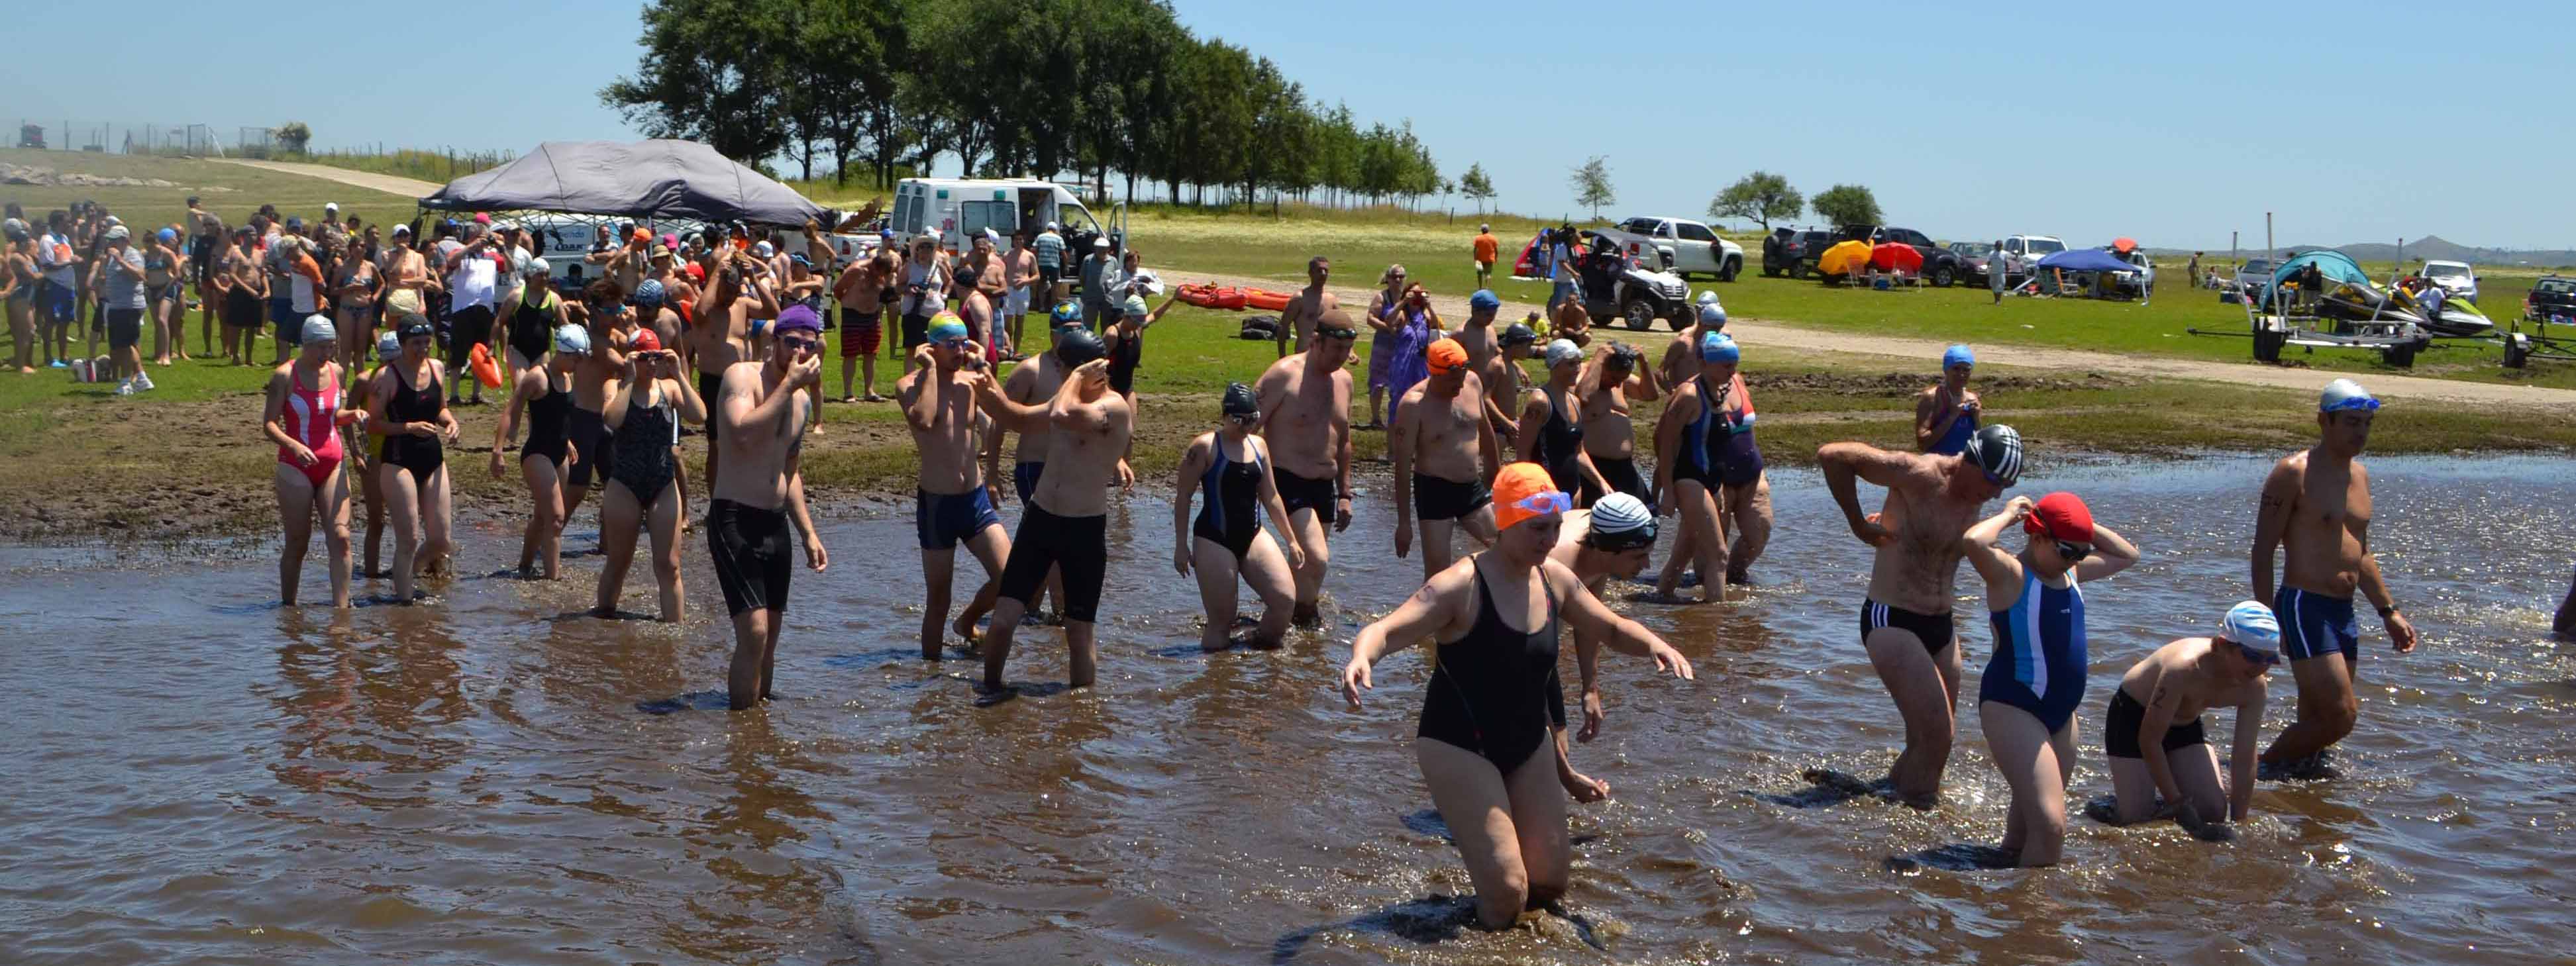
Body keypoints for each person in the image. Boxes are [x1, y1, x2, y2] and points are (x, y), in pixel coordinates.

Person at [1339, 463, 1692, 930]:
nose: (1549, 540)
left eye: (1553, 529)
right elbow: (1385, 629)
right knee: (1508, 893)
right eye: (1537, 529)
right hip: (1458, 742)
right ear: (1505, 523)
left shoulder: (1554, 580)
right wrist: (1362, 658)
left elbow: (1608, 626)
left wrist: (1654, 643)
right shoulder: (1459, 585)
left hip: (1526, 742)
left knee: (1547, 884)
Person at [1815, 423, 2024, 804]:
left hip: (1941, 625)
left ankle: (1884, 801)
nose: (1994, 494)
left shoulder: (1978, 495)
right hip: (1891, 617)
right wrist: (1858, 524)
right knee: (1938, 737)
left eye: (2004, 487)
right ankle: (1922, 825)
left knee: (1929, 738)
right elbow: (1833, 456)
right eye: (1993, 480)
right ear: (1970, 459)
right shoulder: (1918, 473)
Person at [1959, 492, 2140, 866]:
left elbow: (2128, 555)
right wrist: (2011, 514)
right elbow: (1973, 541)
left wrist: (2080, 530)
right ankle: (2039, 921)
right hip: (2014, 706)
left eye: (2081, 551)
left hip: (2062, 716)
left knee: (2026, 829)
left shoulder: (2070, 572)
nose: (2076, 559)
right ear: (2037, 537)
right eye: (2067, 551)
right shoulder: (2010, 574)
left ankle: (2010, 904)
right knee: (2052, 826)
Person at [2251, 379, 2418, 776]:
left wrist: (2388, 610)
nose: (2360, 433)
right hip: (2303, 605)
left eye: (2367, 424)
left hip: (2344, 610)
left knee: (2317, 721)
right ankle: (2254, 769)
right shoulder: (2292, 473)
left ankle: (2295, 789)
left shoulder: (2360, 476)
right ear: (2324, 422)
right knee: (2341, 716)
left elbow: (2361, 552)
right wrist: (2265, 620)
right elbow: (2262, 550)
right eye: (2351, 422)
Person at [970, 351, 1133, 694]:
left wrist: (1077, 376)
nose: (1057, 372)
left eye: (1063, 366)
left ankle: (1081, 710)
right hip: (1040, 521)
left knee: (1078, 630)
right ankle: (990, 694)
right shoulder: (1066, 396)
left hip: (1083, 529)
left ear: (1093, 371)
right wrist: (987, 383)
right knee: (1003, 620)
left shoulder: (1112, 408)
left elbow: (1064, 414)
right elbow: (1017, 417)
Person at [707, 305, 827, 710]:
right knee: (754, 632)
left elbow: (789, 473)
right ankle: (740, 723)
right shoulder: (742, 377)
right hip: (735, 518)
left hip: (774, 523)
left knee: (771, 635)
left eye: (807, 347)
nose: (798, 352)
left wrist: (808, 532)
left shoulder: (801, 404)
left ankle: (758, 732)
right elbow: (740, 431)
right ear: (774, 342)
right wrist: (790, 385)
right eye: (791, 343)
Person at [2102, 601, 2279, 836]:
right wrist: (2177, 803)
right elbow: (2150, 740)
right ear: (2224, 645)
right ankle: (2108, 807)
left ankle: (2159, 796)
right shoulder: (2183, 669)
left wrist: (2240, 822)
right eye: (2254, 656)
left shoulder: (2255, 688)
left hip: (2184, 723)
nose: (2262, 667)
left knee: (2213, 810)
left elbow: (2245, 757)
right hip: (2133, 718)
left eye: (2271, 659)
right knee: (2136, 821)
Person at [901, 314, 1013, 659]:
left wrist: (984, 366)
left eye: (963, 343)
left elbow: (1004, 414)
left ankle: (966, 623)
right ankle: (931, 677)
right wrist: (932, 371)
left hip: (974, 500)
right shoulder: (908, 385)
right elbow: (925, 419)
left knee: (1011, 576)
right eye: (951, 345)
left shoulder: (971, 382)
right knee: (939, 598)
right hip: (938, 505)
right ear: (931, 347)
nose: (960, 351)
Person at [1172, 382, 1310, 650]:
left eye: (1252, 419)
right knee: (1221, 623)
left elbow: (1271, 496)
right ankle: (1216, 681)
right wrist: (1180, 546)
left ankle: (1254, 649)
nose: (1246, 426)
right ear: (1224, 416)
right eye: (1239, 420)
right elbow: (1183, 497)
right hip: (1214, 538)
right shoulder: (1204, 447)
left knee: (1284, 601)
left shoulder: (1259, 446)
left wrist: (1291, 541)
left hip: (1253, 534)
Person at [1544, 492, 1664, 800]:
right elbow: (1526, 671)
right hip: (1501, 654)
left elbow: (1589, 622)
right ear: (1611, 552)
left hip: (1533, 653)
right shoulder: (1553, 565)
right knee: (1540, 754)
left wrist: (1590, 688)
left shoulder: (1600, 544)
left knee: (1557, 750)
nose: (1647, 564)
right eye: (1639, 557)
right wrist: (1568, 778)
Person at [1254, 313, 1359, 625]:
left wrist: (1345, 493)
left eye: (1347, 349)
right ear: (1316, 341)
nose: (1341, 357)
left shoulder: (1344, 381)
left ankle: (1284, 616)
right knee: (1317, 557)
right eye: (1335, 349)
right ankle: (1307, 616)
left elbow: (1344, 440)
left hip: (1324, 484)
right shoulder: (1284, 375)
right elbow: (1245, 429)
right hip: (1287, 479)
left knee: (1307, 564)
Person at [597, 328, 706, 622]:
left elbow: (700, 416)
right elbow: (612, 420)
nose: (651, 364)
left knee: (670, 566)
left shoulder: (669, 388)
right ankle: (604, 619)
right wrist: (630, 380)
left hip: (662, 483)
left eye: (656, 357)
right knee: (619, 562)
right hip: (624, 484)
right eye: (645, 358)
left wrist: (680, 374)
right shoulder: (615, 386)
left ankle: (675, 631)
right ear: (633, 358)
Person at [264, 317, 358, 608]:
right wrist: (293, 445)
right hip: (295, 466)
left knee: (341, 536)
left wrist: (355, 415)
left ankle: (341, 614)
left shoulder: (338, 372)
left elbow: (333, 417)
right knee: (298, 542)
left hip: (332, 462)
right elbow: (269, 424)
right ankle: (289, 608)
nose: (327, 354)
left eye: (331, 347)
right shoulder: (285, 375)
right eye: (321, 348)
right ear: (306, 345)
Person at [366, 316, 461, 603]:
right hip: (397, 461)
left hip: (433, 458)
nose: (422, 349)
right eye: (416, 344)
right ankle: (404, 603)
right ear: (403, 344)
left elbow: (440, 408)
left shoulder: (437, 368)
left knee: (441, 540)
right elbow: (372, 423)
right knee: (409, 538)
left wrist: (450, 422)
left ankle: (409, 573)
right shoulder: (387, 377)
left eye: (426, 343)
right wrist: (408, 427)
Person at [1393, 338, 1502, 581]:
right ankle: (1433, 617)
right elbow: (1401, 467)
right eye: (1453, 382)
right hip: (1434, 491)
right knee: (1437, 574)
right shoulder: (1413, 405)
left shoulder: (1472, 382)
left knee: (1506, 547)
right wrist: (1404, 524)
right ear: (1435, 373)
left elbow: (1486, 432)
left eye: (1461, 379)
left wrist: (1497, 476)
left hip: (1472, 488)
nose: (1459, 387)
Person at [493, 323, 588, 579]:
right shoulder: (537, 376)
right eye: (577, 359)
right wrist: (498, 451)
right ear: (565, 353)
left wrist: (567, 441)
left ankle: (524, 567)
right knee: (557, 517)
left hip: (560, 452)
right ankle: (553, 580)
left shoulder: (567, 377)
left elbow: (557, 416)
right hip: (537, 454)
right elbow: (512, 409)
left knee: (542, 517)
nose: (579, 364)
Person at [692, 246, 778, 503]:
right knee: (717, 445)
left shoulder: (742, 304)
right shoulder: (708, 308)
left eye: (734, 290)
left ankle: (746, 494)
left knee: (748, 440)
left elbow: (774, 314)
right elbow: (699, 313)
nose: (730, 296)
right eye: (726, 290)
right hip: (714, 381)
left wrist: (753, 279)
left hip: (742, 383)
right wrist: (718, 273)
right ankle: (716, 498)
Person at [1518, 339, 1608, 500]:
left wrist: (1601, 482)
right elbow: (1523, 454)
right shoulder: (1540, 402)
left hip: (1573, 492)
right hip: (1544, 493)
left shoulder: (1575, 402)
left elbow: (1578, 453)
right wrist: (1532, 491)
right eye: (1571, 364)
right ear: (1554, 365)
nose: (1577, 369)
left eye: (1579, 363)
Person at [1576, 342, 1660, 507]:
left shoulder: (1618, 379)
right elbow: (1583, 397)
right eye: (1614, 378)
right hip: (1594, 466)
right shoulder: (1582, 376)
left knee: (1643, 520)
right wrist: (1599, 359)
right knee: (1593, 522)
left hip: (1624, 467)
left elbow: (1650, 395)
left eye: (1622, 380)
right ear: (1602, 365)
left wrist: (1644, 363)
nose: (1618, 385)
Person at [441, 224, 506, 405]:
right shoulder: (461, 253)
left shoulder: (492, 256)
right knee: (458, 352)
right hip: (463, 309)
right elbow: (451, 262)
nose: (484, 241)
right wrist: (470, 247)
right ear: (473, 237)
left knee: (482, 352)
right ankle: (454, 394)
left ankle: (476, 394)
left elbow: (509, 266)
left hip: (485, 309)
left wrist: (502, 248)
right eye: (481, 237)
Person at [356, 330, 400, 578]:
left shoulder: (411, 378)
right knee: (376, 519)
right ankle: (372, 578)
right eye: (388, 361)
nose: (391, 367)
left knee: (407, 519)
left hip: (403, 456)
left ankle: (405, 571)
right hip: (374, 456)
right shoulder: (365, 381)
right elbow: (346, 417)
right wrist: (355, 453)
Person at [834, 242, 895, 401]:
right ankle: (848, 393)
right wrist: (849, 304)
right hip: (852, 314)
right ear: (874, 265)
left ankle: (870, 391)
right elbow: (837, 289)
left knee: (871, 354)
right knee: (851, 354)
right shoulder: (857, 270)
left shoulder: (884, 274)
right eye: (878, 273)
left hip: (872, 317)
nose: (879, 276)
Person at [98, 225, 152, 394]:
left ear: (125, 240)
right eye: (110, 240)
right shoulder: (113, 256)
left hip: (129, 306)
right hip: (117, 305)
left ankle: (126, 382)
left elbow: (140, 276)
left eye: (114, 240)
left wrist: (121, 260)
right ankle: (142, 378)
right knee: (123, 345)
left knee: (126, 344)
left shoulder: (132, 255)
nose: (111, 243)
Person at [1362, 265, 1416, 429]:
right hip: (1383, 345)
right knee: (1378, 382)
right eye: (1394, 277)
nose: (1398, 280)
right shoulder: (1382, 297)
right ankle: (1376, 418)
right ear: (1388, 279)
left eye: (1401, 276)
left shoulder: (1409, 297)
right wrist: (1388, 329)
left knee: (1401, 380)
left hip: (1402, 345)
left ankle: (1398, 416)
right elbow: (1371, 318)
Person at [497, 258, 568, 377]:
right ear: (531, 276)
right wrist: (491, 346)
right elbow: (499, 322)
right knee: (521, 387)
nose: (544, 279)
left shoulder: (555, 299)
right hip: (517, 350)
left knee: (541, 390)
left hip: (542, 352)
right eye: (540, 275)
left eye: (547, 275)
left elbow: (565, 326)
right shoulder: (516, 296)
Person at [34, 211, 82, 369]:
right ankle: (48, 357)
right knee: (51, 321)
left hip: (68, 287)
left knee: (65, 322)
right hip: (55, 285)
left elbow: (67, 259)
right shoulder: (47, 241)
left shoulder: (64, 238)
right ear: (58, 222)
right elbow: (47, 265)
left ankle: (64, 356)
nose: (69, 224)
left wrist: (73, 261)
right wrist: (71, 262)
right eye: (67, 221)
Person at [1481, 322, 1538, 454]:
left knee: (1528, 453)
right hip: (1497, 426)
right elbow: (1485, 398)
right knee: (1493, 470)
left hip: (1511, 423)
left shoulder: (1510, 364)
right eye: (1527, 346)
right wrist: (1506, 422)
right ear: (1516, 345)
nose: (1529, 350)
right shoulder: (1497, 366)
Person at [1916, 344, 1981, 455]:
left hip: (1962, 467)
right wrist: (1952, 416)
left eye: (1966, 370)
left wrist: (1976, 418)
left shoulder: (1972, 399)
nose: (1961, 374)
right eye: (1956, 369)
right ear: (1946, 370)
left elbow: (1979, 442)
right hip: (1938, 467)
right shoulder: (1933, 397)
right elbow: (1922, 444)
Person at [331, 233, 380, 372]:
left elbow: (382, 284)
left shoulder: (370, 267)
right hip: (347, 309)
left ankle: (361, 383)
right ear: (351, 249)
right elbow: (333, 290)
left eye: (363, 246)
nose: (360, 249)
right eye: (357, 246)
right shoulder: (343, 268)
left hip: (364, 310)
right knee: (346, 350)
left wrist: (375, 297)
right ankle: (342, 386)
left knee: (360, 350)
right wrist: (348, 288)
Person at [898, 236, 950, 367]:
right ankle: (910, 382)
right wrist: (909, 290)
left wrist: (945, 295)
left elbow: (950, 281)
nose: (926, 250)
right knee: (911, 349)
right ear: (917, 250)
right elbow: (898, 286)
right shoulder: (910, 266)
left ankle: (932, 378)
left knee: (935, 348)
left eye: (929, 248)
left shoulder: (938, 266)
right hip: (913, 313)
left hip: (936, 315)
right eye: (922, 247)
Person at [218, 226, 266, 367]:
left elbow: (262, 273)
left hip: (256, 293)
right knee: (236, 327)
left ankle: (249, 359)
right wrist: (248, 290)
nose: (254, 237)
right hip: (240, 293)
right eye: (251, 234)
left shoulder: (259, 254)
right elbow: (232, 275)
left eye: (255, 234)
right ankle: (235, 357)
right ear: (243, 236)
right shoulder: (236, 253)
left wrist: (267, 289)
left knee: (252, 327)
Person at [1276, 256, 1339, 358]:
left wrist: (1350, 352)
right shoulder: (1299, 299)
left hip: (1327, 358)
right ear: (1310, 273)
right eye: (1319, 270)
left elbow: (1342, 327)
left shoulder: (1332, 300)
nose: (1323, 274)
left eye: (1326, 271)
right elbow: (1283, 328)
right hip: (1304, 357)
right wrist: (1282, 356)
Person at [146, 226, 187, 365]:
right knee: (158, 323)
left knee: (164, 319)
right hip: (152, 289)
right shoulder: (147, 254)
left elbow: (178, 274)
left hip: (167, 289)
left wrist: (164, 291)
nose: (176, 240)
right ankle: (159, 354)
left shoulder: (167, 253)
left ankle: (167, 355)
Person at [5, 218, 35, 373]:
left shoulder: (27, 256)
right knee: (26, 331)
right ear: (20, 243)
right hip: (20, 296)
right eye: (26, 241)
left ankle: (20, 362)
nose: (29, 243)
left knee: (25, 332)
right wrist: (46, 274)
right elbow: (33, 276)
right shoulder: (16, 257)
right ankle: (21, 365)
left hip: (29, 296)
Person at [1004, 227, 1038, 360]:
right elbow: (1002, 272)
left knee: (1020, 321)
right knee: (1008, 322)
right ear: (1013, 241)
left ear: (1024, 241)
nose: (1019, 242)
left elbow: (1037, 275)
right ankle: (1008, 348)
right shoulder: (1007, 255)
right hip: (1010, 290)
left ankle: (1016, 350)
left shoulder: (1030, 256)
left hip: (1023, 291)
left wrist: (1026, 281)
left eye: (1021, 239)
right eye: (1016, 239)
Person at [1077, 236, 1114, 332]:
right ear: (1095, 248)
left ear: (1108, 249)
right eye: (1100, 248)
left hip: (1108, 300)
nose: (1102, 250)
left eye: (1104, 248)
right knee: (1087, 327)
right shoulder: (1088, 260)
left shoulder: (1113, 261)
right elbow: (1082, 278)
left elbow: (1116, 279)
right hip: (1091, 298)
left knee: (1107, 328)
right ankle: (1086, 346)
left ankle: (1106, 346)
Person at [1032, 221, 1066, 305]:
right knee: (1054, 286)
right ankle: (1053, 305)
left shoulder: (1040, 237)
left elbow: (1034, 249)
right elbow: (1064, 253)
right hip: (1054, 265)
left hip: (1042, 264)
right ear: (1055, 230)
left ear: (1047, 229)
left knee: (1042, 285)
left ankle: (1042, 306)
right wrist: (1066, 265)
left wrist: (1035, 261)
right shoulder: (1058, 238)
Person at [1472, 223, 1501, 291]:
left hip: (1480, 259)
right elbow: (1496, 250)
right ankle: (1487, 288)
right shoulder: (1493, 238)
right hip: (1490, 259)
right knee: (1488, 273)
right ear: (1488, 230)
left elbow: (1475, 249)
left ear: (1482, 230)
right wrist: (1496, 258)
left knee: (1480, 273)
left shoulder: (1478, 238)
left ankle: (1480, 288)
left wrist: (1475, 258)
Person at [1990, 241, 2012, 305]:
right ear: (1995, 246)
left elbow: (2007, 263)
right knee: (1994, 286)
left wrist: (2008, 272)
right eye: (1998, 246)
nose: (1999, 247)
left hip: (2001, 272)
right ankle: (1996, 299)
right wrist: (1987, 268)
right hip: (1993, 272)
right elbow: (1989, 262)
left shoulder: (2004, 253)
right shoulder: (1991, 253)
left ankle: (1998, 300)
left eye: (2001, 246)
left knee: (2001, 285)